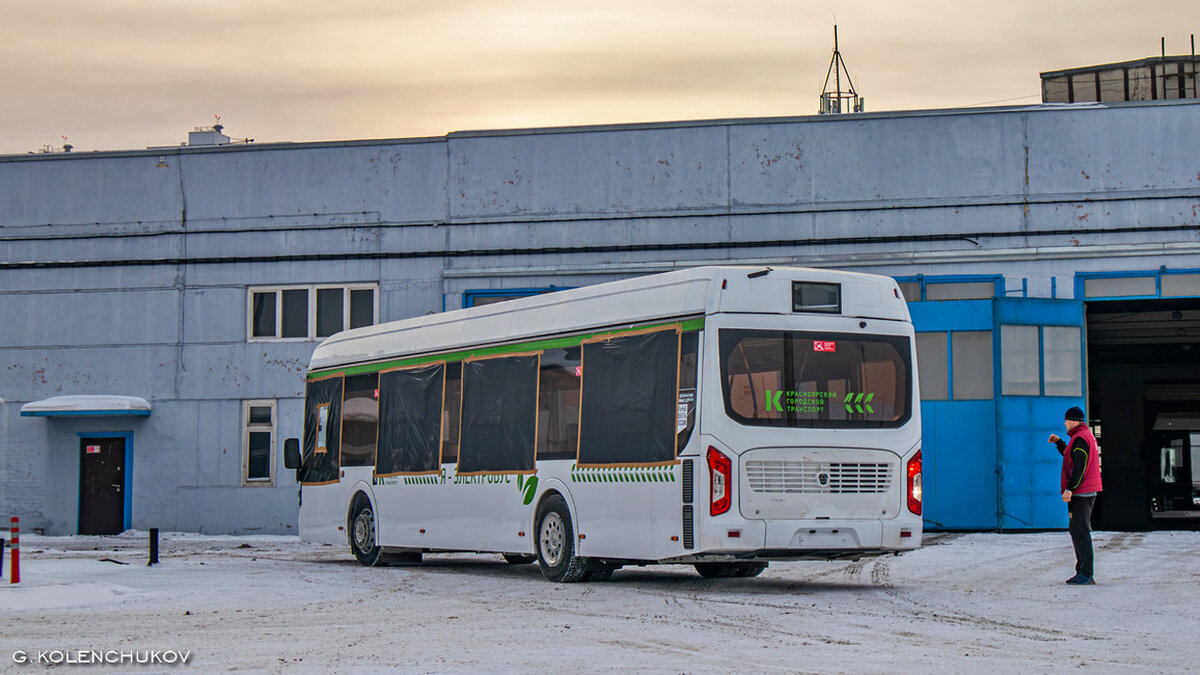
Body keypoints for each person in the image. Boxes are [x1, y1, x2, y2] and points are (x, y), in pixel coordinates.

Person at [1048, 406, 1103, 585]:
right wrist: (1059, 442)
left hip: (1081, 492)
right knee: (1077, 530)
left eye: (1066, 420)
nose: (1064, 423)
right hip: (1084, 491)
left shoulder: (1081, 439)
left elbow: (1080, 466)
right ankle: (1082, 571)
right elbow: (1070, 455)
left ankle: (1086, 574)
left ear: (1073, 421)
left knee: (1080, 531)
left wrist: (1070, 488)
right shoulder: (1081, 438)